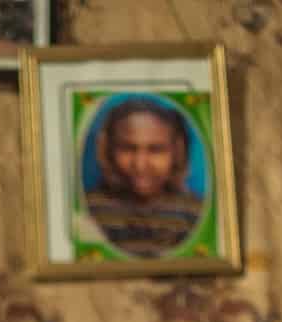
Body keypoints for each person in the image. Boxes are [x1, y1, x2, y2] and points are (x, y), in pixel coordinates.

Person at [84, 98, 205, 259]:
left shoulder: (195, 213)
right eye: (127, 148)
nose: (140, 165)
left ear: (177, 153)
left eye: (156, 150)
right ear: (108, 150)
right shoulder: (89, 210)